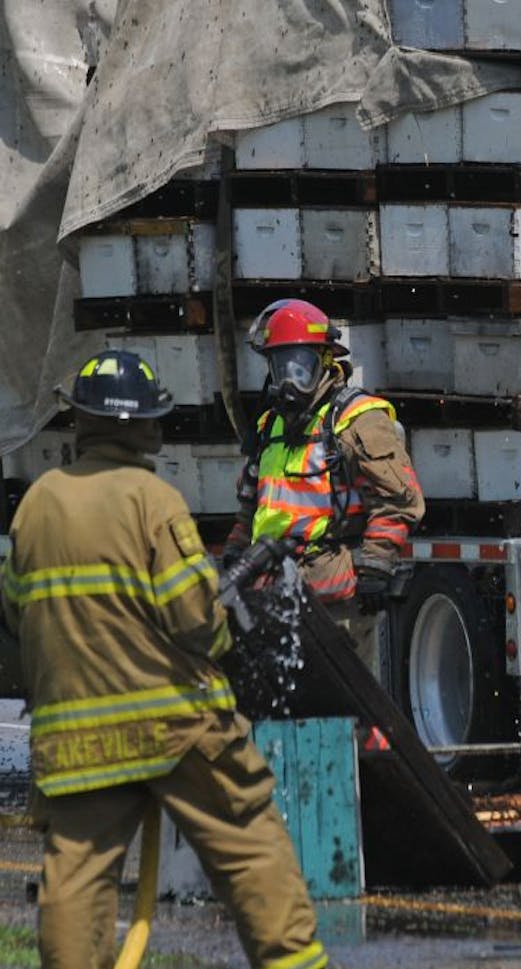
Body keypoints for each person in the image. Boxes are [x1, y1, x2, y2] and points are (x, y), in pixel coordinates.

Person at [1, 350, 327, 969]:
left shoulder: (37, 505)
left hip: (75, 735)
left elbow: (17, 612)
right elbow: (193, 620)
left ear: (82, 420)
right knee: (248, 839)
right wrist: (228, 634)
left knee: (76, 872)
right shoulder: (153, 501)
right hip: (174, 725)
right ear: (144, 425)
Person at [224, 298, 424, 673]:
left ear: (325, 361)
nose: (289, 380)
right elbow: (251, 509)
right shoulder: (270, 426)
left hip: (336, 604)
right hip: (272, 600)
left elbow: (399, 502)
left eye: (299, 367)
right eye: (279, 366)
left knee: (348, 716)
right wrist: (236, 555)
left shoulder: (355, 421)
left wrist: (374, 569)